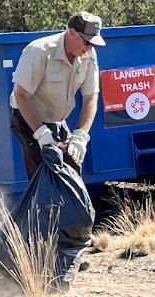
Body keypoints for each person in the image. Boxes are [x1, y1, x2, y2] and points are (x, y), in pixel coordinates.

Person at [9, 11, 105, 178]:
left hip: (57, 121)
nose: (89, 48)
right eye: (87, 42)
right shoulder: (39, 51)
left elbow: (90, 97)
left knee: (72, 168)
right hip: (28, 120)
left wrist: (81, 135)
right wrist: (40, 132)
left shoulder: (89, 55)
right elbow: (21, 95)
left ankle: (71, 204)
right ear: (72, 32)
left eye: (93, 44)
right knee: (44, 173)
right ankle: (43, 205)